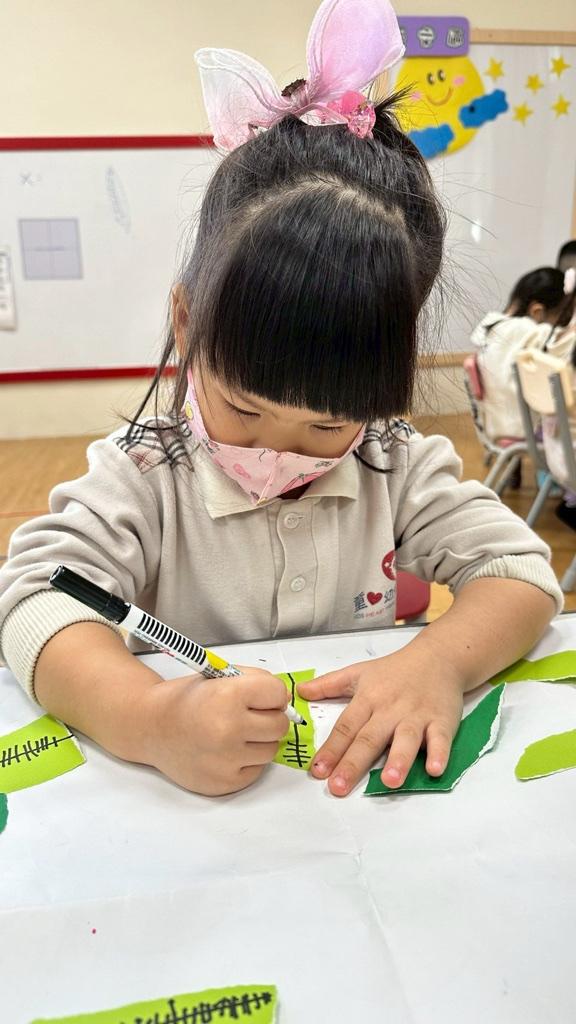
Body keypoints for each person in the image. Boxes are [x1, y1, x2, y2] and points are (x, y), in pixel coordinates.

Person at [0, 0, 562, 799]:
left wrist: (437, 660)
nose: (278, 452)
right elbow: (34, 599)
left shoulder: (391, 461)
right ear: (186, 325)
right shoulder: (147, 474)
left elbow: (521, 573)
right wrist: (147, 716)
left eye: (328, 423)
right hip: (191, 815)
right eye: (245, 410)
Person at [470, 267, 569, 445]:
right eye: (562, 317)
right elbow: (563, 340)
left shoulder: (490, 327)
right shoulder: (528, 330)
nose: (563, 323)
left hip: (494, 425)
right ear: (537, 311)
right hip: (526, 427)